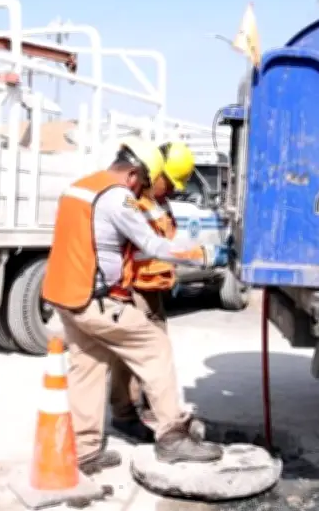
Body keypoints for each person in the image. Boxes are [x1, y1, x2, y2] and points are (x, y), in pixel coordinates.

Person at [41, 138, 227, 474]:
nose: (141, 190)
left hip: (65, 295)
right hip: (95, 299)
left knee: (88, 367)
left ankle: (85, 451)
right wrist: (204, 254)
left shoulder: (79, 187)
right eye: (141, 182)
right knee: (155, 347)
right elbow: (153, 245)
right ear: (133, 174)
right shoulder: (117, 197)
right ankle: (172, 436)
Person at [109, 141, 196, 443]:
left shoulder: (159, 203)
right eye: (169, 183)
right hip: (135, 289)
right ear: (155, 175)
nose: (171, 190)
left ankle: (147, 409)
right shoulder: (132, 202)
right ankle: (126, 414)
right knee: (135, 353)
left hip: (153, 289)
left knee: (154, 353)